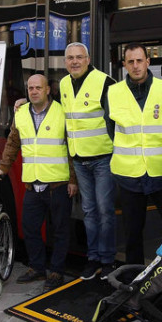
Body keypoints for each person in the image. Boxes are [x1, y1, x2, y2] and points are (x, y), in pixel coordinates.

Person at [0, 74, 77, 291]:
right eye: (30, 88)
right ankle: (37, 267)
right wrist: (3, 167)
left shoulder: (62, 112)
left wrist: (72, 179)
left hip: (57, 184)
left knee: (60, 230)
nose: (34, 91)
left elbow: (71, 147)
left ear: (48, 89)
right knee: (30, 228)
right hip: (32, 183)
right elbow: (12, 143)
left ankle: (57, 271)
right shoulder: (21, 114)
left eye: (38, 88)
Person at [105, 43, 162, 265]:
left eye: (140, 60)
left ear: (148, 62)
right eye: (131, 62)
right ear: (124, 65)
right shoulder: (114, 92)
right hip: (129, 175)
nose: (136, 66)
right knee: (132, 232)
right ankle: (133, 276)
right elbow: (112, 130)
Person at [59, 42, 118, 280]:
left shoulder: (105, 82)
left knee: (105, 211)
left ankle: (108, 260)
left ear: (88, 58)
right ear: (65, 62)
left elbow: (116, 121)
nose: (74, 61)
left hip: (103, 158)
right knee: (89, 211)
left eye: (79, 57)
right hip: (79, 160)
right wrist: (23, 103)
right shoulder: (63, 84)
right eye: (70, 58)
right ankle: (93, 259)